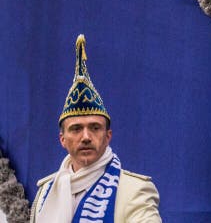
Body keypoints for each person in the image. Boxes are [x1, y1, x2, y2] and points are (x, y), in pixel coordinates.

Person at [31, 35, 161, 222]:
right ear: (62, 139)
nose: (85, 136)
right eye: (76, 129)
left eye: (94, 128)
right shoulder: (45, 192)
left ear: (108, 136)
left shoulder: (134, 191)